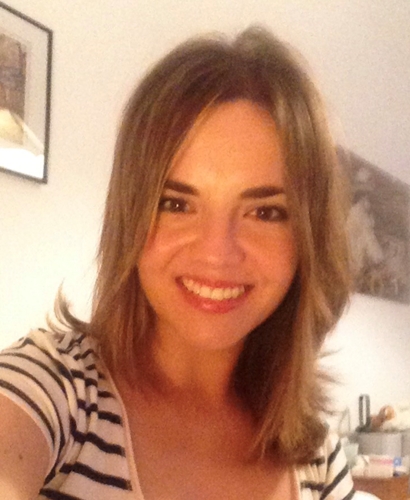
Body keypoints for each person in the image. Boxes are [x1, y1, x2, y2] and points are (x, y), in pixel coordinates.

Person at [0, 26, 354, 500]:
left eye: (266, 212)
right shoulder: (54, 390)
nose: (216, 252)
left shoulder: (317, 458)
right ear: (130, 214)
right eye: (176, 203)